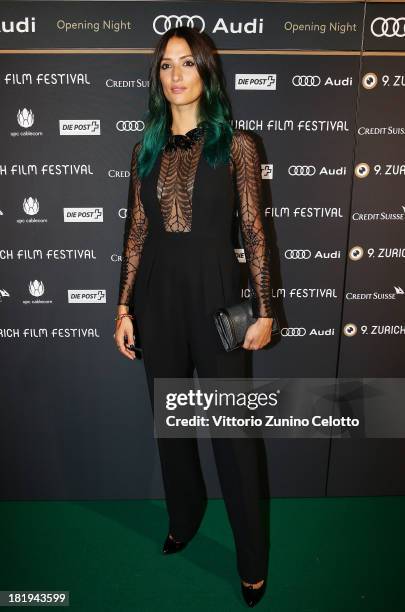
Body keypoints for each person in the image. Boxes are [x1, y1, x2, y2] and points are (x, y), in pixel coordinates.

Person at [114, 26, 274, 607]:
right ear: (157, 78)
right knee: (173, 427)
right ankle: (184, 518)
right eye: (165, 66)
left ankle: (252, 558)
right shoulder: (143, 150)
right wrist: (123, 306)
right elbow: (135, 233)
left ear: (207, 71)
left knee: (233, 437)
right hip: (157, 303)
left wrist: (264, 308)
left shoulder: (237, 146)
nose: (175, 75)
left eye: (186, 63)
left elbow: (254, 231)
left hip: (215, 303)